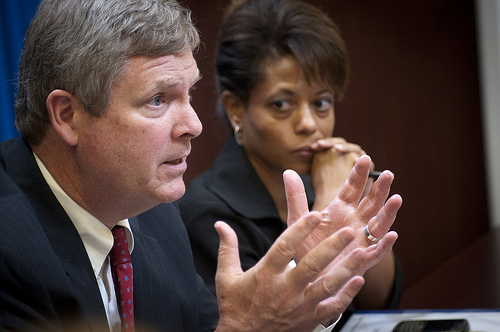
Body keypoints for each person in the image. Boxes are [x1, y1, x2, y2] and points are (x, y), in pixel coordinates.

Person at [0, 0, 402, 331]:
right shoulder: (9, 249)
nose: (194, 125)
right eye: (158, 99)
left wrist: (298, 299)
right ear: (68, 115)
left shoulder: (157, 220)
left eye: (189, 94)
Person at [179, 0, 403, 323]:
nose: (309, 124)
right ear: (236, 110)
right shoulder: (206, 214)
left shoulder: (327, 176)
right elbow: (296, 320)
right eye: (282, 104)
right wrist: (327, 208)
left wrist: (353, 205)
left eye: (321, 102)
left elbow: (382, 304)